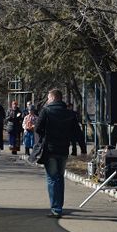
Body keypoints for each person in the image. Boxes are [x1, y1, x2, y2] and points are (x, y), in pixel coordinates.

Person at [35, 89, 80, 218]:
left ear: (53, 98)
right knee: (60, 177)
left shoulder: (46, 111)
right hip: (64, 149)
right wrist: (81, 148)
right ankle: (59, 206)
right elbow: (76, 131)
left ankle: (56, 208)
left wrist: (43, 138)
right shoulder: (69, 113)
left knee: (52, 178)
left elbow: (38, 128)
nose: (47, 100)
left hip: (50, 149)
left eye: (48, 98)